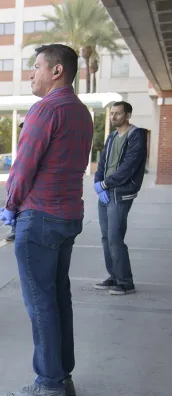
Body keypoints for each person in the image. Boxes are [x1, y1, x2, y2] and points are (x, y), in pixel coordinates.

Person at [0, 44, 93, 396]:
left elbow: (23, 167)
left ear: (57, 71)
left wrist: (10, 206)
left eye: (35, 66)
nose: (31, 73)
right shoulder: (82, 112)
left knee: (40, 304)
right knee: (58, 299)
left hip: (39, 218)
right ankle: (62, 375)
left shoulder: (45, 110)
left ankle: (48, 382)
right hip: (68, 216)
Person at [93, 101, 147, 295]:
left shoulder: (136, 136)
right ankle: (114, 276)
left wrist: (105, 184)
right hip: (106, 192)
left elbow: (128, 167)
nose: (113, 117)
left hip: (121, 192)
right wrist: (98, 183)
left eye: (118, 114)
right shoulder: (112, 136)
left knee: (115, 238)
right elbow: (102, 164)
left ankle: (126, 282)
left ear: (128, 115)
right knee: (106, 237)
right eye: (112, 114)